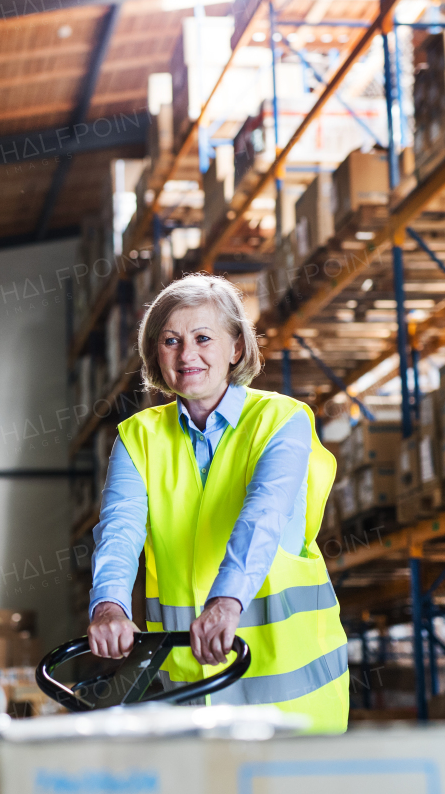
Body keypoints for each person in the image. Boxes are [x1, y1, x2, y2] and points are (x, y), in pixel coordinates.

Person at [86, 274, 349, 731]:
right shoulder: (138, 437)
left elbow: (264, 514)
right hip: (194, 694)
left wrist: (226, 601)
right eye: (170, 341)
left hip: (293, 697)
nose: (187, 354)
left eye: (203, 337)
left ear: (236, 349)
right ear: (155, 356)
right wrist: (109, 606)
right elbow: (120, 531)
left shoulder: (282, 421)